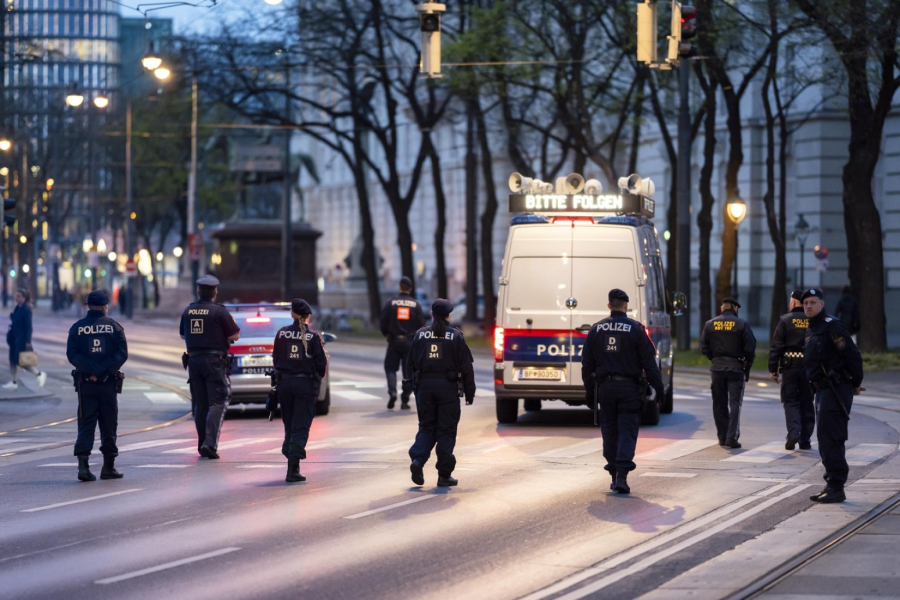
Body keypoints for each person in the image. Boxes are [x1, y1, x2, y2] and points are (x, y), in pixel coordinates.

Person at [581, 289, 665, 494]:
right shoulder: (636, 329)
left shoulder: (596, 329)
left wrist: (589, 393)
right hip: (629, 389)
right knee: (627, 431)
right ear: (625, 306)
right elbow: (649, 363)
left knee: (609, 431)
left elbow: (587, 365)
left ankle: (613, 472)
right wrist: (659, 388)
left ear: (609, 305)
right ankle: (622, 475)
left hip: (606, 388)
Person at [802, 288, 864, 504]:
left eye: (812, 302)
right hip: (822, 390)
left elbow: (852, 355)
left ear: (822, 303)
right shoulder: (811, 329)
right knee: (824, 438)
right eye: (805, 303)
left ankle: (837, 486)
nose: (808, 306)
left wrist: (855, 383)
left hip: (836, 389)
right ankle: (832, 484)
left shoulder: (831, 325)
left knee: (831, 437)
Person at [407, 299, 475, 487]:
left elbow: (410, 365)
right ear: (448, 315)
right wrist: (470, 393)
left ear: (431, 314)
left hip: (425, 388)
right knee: (446, 430)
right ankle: (444, 475)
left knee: (427, 427)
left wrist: (415, 388)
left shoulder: (420, 335)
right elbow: (466, 367)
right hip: (448, 389)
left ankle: (418, 460)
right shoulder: (456, 336)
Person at [66, 290, 128, 482]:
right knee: (109, 424)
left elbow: (72, 355)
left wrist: (91, 371)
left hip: (86, 384)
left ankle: (83, 467)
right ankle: (108, 467)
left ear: (88, 306)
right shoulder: (114, 327)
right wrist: (105, 371)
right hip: (108, 384)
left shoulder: (77, 328)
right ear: (104, 306)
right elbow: (122, 354)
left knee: (86, 424)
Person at [179, 275, 241, 459]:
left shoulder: (188, 310)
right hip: (214, 362)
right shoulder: (219, 311)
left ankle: (202, 444)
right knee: (219, 400)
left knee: (200, 404)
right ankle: (210, 443)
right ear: (215, 292)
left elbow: (183, 336)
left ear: (198, 291)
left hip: (194, 362)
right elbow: (235, 335)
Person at [272, 298, 328, 483]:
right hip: (304, 386)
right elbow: (321, 365)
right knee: (301, 426)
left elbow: (276, 360)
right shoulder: (313, 337)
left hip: (284, 385)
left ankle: (289, 450)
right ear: (307, 317)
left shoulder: (281, 334)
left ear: (292, 314)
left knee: (289, 423)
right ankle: (292, 468)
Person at [700, 297, 757, 449]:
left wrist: (714, 358)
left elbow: (704, 346)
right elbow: (751, 345)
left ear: (722, 308)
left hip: (717, 369)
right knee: (735, 403)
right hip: (736, 368)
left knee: (719, 404)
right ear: (734, 308)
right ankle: (732, 437)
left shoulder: (710, 324)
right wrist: (747, 362)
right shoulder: (741, 324)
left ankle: (722, 436)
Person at [768, 290, 815, 451]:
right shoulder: (813, 320)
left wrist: (773, 368)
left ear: (794, 303)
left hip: (789, 368)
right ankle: (805, 439)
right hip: (809, 368)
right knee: (807, 403)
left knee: (790, 402)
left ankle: (793, 433)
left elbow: (776, 346)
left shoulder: (785, 320)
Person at [380, 276, 425, 410]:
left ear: (399, 287)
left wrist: (387, 334)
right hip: (410, 343)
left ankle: (392, 392)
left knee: (390, 368)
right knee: (409, 372)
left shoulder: (391, 303)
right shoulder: (416, 305)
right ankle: (405, 399)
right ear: (410, 289)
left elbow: (383, 322)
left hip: (394, 341)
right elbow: (421, 325)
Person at [4, 288, 47, 390]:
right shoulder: (17, 308)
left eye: (18, 296)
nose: (16, 298)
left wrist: (28, 341)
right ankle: (14, 381)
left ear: (24, 298)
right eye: (16, 296)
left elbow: (28, 327)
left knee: (22, 362)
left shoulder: (26, 309)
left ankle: (39, 374)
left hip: (22, 339)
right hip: (14, 339)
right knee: (12, 360)